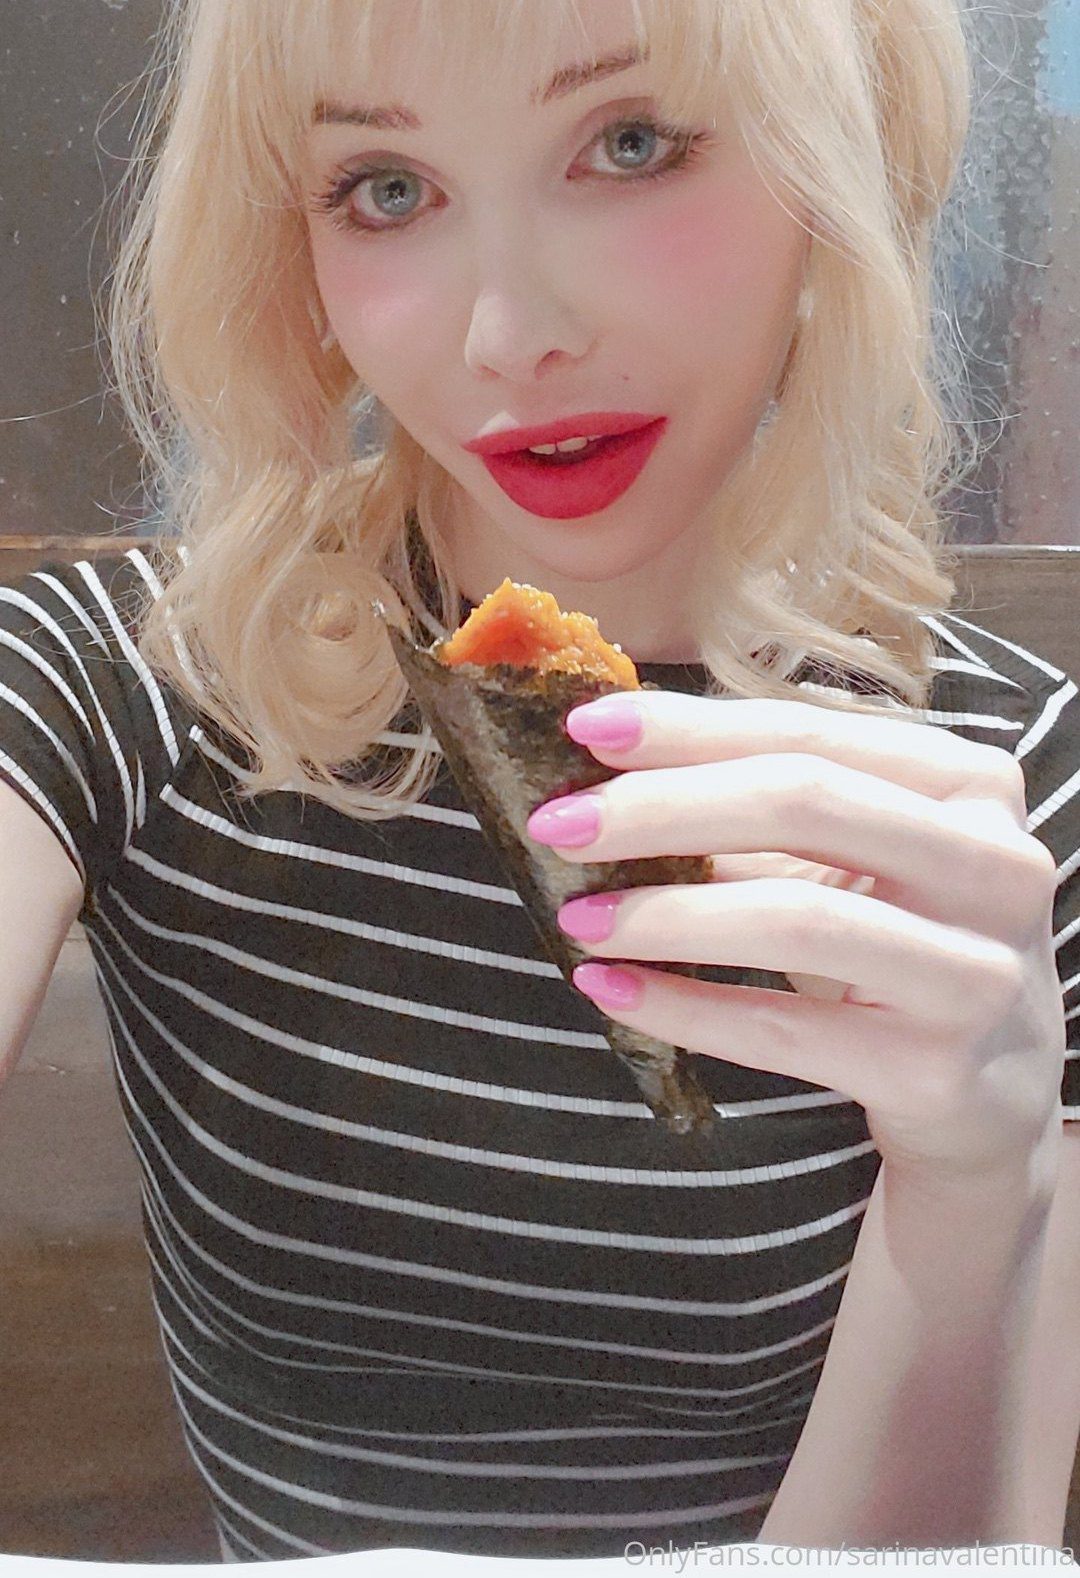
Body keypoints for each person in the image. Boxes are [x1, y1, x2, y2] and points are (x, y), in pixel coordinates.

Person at [0, 0, 1077, 1561]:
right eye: (386, 188)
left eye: (630, 144)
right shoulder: (130, 681)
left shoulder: (1012, 796)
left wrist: (979, 1177)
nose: (507, 334)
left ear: (835, 163)